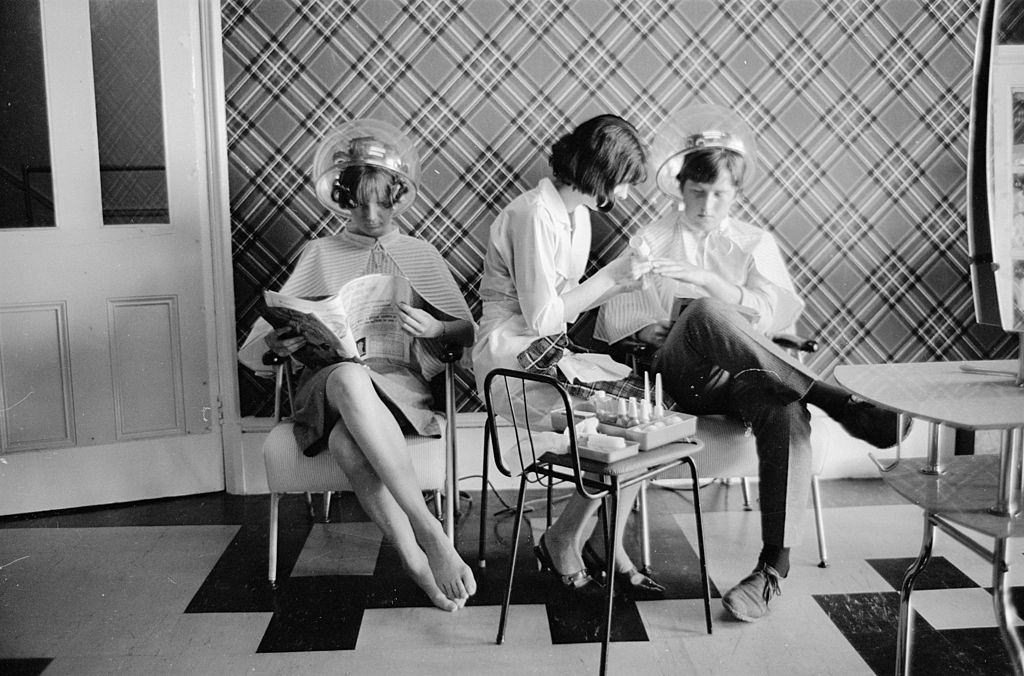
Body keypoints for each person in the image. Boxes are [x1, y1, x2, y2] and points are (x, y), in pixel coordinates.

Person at [597, 104, 910, 622]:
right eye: (697, 192)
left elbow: (777, 313)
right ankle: (835, 400)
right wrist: (640, 328)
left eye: (720, 194)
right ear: (680, 187)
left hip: (747, 375)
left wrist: (715, 285)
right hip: (676, 377)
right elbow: (612, 325)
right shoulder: (650, 240)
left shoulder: (753, 242)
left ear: (736, 193)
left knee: (785, 407)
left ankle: (771, 568)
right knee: (698, 313)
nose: (707, 204)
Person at [238, 119, 477, 612]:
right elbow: (256, 348)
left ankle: (415, 562)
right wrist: (281, 343)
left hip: (398, 387)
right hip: (328, 383)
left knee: (348, 442)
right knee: (348, 373)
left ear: (399, 195)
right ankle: (430, 529)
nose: (371, 214)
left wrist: (434, 330)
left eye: (382, 201)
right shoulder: (319, 253)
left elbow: (468, 332)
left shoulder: (420, 253)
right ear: (342, 197)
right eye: (359, 202)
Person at [473, 114, 664, 596]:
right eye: (621, 182)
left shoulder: (576, 216)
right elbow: (540, 318)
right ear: (600, 171)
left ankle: (588, 539)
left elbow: (562, 309)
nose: (623, 195)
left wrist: (625, 283)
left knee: (648, 415)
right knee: (621, 425)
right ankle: (568, 542)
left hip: (547, 352)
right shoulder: (531, 213)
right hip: (510, 359)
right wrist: (611, 277)